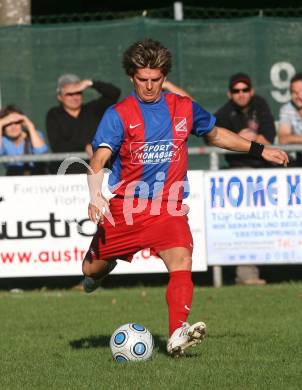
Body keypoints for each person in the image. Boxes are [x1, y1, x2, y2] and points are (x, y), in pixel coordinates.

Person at [81, 39, 288, 357]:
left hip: (168, 206)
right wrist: (95, 195)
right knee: (92, 270)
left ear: (164, 76)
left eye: (155, 79)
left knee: (181, 262)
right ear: (131, 77)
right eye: (142, 79)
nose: (149, 86)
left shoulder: (183, 107)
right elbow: (98, 159)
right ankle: (96, 275)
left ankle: (177, 332)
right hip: (127, 208)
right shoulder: (118, 114)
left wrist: (261, 150)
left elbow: (216, 133)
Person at [215, 73, 276, 286]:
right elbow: (218, 141)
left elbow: (269, 138)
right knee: (243, 225)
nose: (240, 94)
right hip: (237, 175)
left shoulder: (261, 106)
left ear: (251, 90)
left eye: (244, 89)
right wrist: (241, 140)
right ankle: (246, 274)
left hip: (265, 172)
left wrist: (251, 140)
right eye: (236, 91)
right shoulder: (224, 113)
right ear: (229, 93)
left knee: (272, 223)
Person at [46, 74, 121, 174]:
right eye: (69, 94)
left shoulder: (92, 110)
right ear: (60, 97)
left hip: (98, 172)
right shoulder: (54, 115)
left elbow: (114, 93)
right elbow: (57, 145)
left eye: (78, 93)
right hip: (67, 176)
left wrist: (90, 83)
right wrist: (84, 146)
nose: (75, 97)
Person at [0, 104, 48, 175]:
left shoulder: (33, 134)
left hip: (37, 178)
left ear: (22, 123)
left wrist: (30, 126)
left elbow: (41, 152)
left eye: (17, 122)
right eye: (8, 124)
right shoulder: (3, 140)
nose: (13, 127)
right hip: (14, 179)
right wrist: (0, 124)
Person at [278, 73, 302, 166]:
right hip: (295, 162)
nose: (298, 96)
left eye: (301, 91)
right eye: (294, 92)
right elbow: (283, 139)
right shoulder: (286, 109)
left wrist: (294, 139)